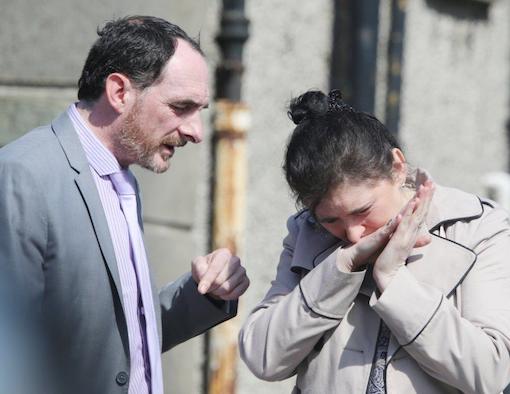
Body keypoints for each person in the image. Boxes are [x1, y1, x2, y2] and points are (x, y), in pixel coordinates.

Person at [0, 16, 250, 394]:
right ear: (119, 92)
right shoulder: (23, 176)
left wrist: (205, 293)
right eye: (181, 106)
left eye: (199, 111)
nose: (196, 132)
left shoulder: (122, 179)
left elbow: (117, 342)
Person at [239, 89, 510, 393]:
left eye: (362, 210)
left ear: (397, 166)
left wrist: (394, 282)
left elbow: (491, 372)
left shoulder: (477, 228)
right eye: (330, 220)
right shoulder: (306, 234)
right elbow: (263, 357)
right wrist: (341, 267)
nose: (353, 233)